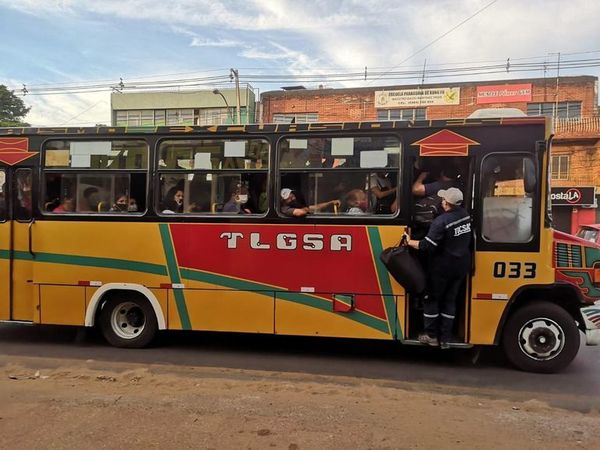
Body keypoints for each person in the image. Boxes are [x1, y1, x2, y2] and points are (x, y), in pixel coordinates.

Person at [405, 187, 472, 349]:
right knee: (450, 300)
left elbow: (427, 246)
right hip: (461, 266)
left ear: (446, 204)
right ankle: (446, 338)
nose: (441, 201)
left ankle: (431, 335)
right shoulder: (466, 216)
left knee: (431, 299)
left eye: (443, 200)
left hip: (442, 269)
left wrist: (409, 241)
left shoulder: (441, 221)